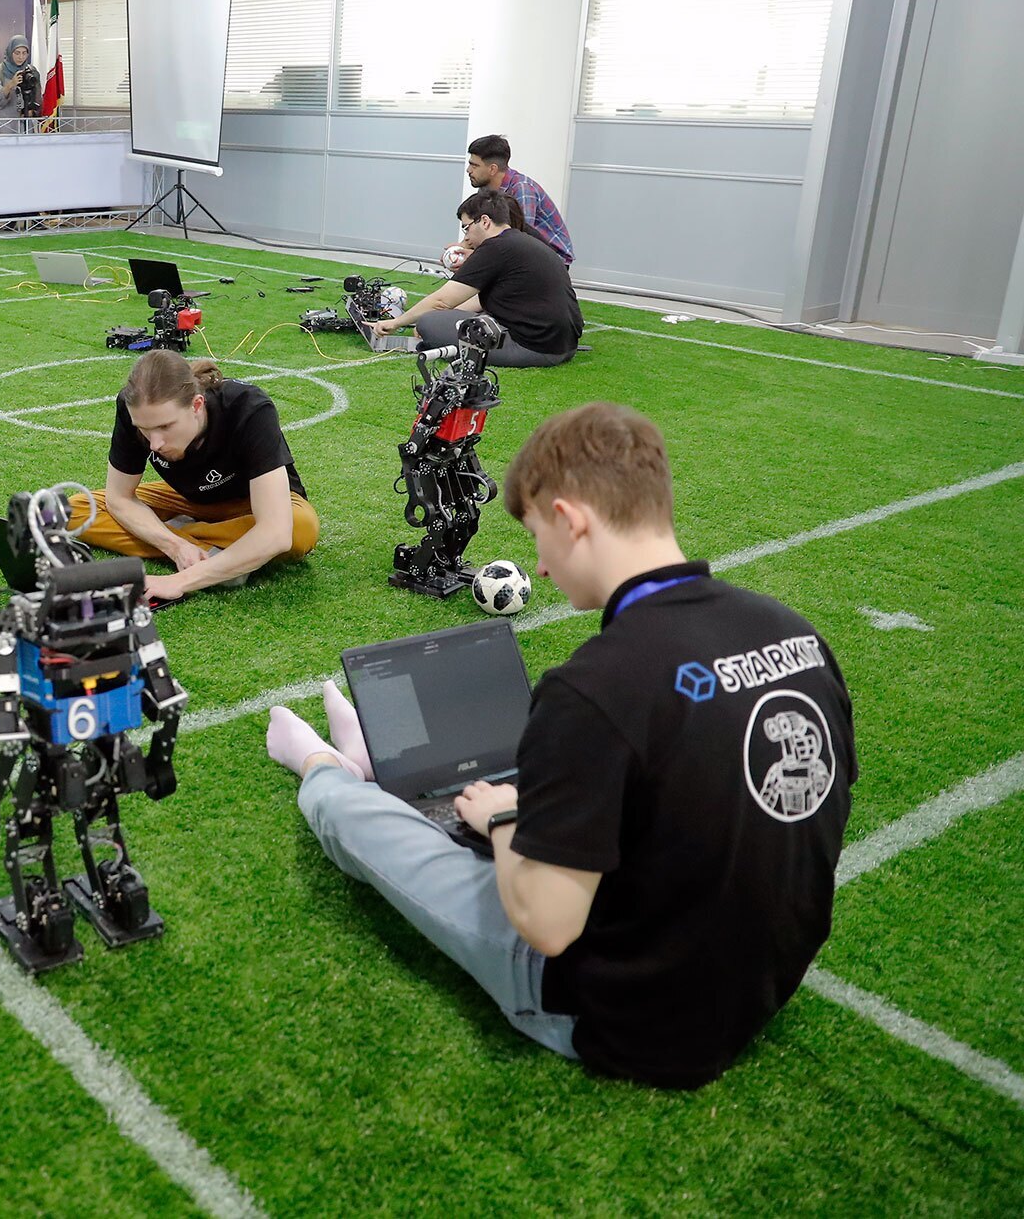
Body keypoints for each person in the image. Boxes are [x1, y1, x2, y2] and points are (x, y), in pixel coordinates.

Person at [264, 402, 855, 1089]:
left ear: (572, 519)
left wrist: (506, 817)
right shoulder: (794, 633)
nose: (539, 568)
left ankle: (327, 767)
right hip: (762, 985)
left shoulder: (593, 687)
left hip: (627, 1018)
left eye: (537, 536)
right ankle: (379, 759)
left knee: (368, 826)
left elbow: (547, 925)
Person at [68, 350, 318, 601]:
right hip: (187, 500)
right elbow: (119, 497)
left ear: (196, 405)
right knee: (76, 510)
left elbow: (276, 531)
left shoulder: (248, 406)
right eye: (144, 429)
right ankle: (220, 553)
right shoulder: (130, 407)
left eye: (165, 426)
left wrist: (180, 580)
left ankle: (191, 537)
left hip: (252, 503)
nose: (154, 443)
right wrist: (175, 546)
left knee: (298, 529)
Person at [364, 189, 582, 368]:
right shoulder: (523, 241)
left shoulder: (495, 247)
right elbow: (477, 301)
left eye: (467, 228)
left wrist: (395, 322)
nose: (466, 237)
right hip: (565, 346)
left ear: (485, 221)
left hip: (533, 348)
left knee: (428, 323)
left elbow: (442, 301)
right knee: (447, 318)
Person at [468, 133, 574, 265]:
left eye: (474, 166)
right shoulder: (486, 189)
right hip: (521, 250)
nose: (468, 170)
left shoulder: (522, 188)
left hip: (552, 259)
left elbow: (520, 237)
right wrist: (461, 248)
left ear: (492, 169)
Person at [0, 34, 37, 132]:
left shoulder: (31, 71)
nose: (21, 57)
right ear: (10, 52)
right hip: (5, 125)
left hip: (25, 125)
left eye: (24, 53)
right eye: (17, 53)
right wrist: (11, 84)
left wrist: (31, 111)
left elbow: (38, 98)